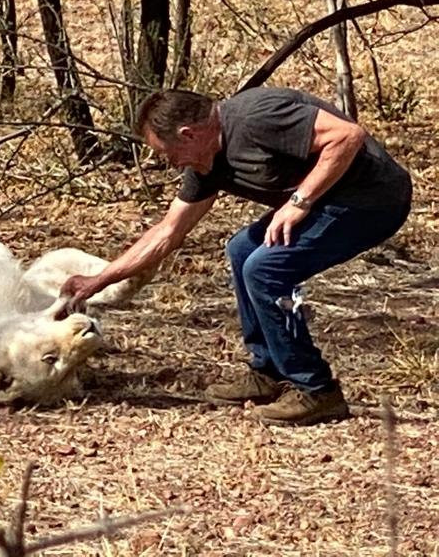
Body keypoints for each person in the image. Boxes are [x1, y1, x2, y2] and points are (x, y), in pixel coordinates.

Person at [60, 87, 412, 426]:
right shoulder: (206, 164)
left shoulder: (257, 117)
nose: (168, 163)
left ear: (187, 134)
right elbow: (168, 232)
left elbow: (347, 135)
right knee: (242, 249)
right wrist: (99, 280)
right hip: (329, 201)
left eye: (166, 153)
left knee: (265, 268)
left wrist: (298, 202)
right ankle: (268, 371)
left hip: (373, 200)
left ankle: (315, 389)